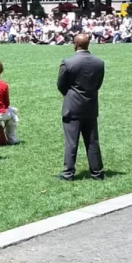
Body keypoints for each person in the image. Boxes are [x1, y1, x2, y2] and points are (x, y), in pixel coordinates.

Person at [57, 33, 105, 181]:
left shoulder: (68, 62)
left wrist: (70, 94)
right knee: (92, 141)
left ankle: (68, 173)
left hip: (72, 106)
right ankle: (96, 172)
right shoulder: (99, 63)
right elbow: (98, 84)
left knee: (71, 142)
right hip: (90, 105)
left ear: (75, 44)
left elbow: (61, 84)